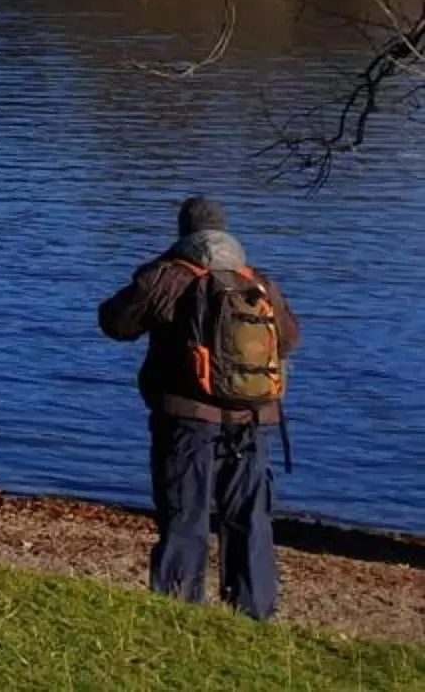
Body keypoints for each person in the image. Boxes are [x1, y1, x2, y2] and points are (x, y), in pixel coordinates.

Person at [97, 195, 299, 621]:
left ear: (183, 233)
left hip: (187, 422)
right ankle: (253, 612)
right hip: (253, 419)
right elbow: (290, 338)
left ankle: (178, 611)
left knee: (184, 514)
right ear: (226, 232)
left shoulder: (167, 276)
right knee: (250, 518)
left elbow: (116, 323)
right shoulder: (256, 280)